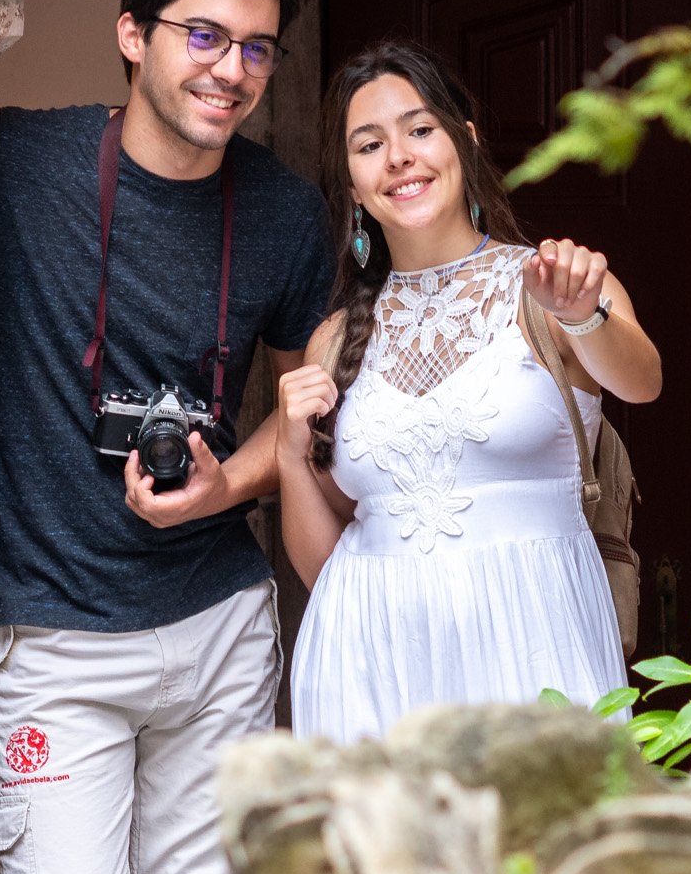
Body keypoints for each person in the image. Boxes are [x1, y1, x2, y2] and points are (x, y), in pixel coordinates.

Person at [0, 0, 330, 874]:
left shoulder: (288, 215)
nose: (231, 71)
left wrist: (231, 480)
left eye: (256, 48)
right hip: (54, 631)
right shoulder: (20, 163)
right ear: (133, 34)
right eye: (203, 35)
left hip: (217, 630)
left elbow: (312, 414)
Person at [274, 40, 664, 740]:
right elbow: (325, 561)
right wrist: (286, 450)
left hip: (534, 648)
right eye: (370, 144)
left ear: (467, 141)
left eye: (420, 129)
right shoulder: (333, 341)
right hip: (367, 666)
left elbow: (642, 382)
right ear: (354, 185)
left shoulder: (552, 284)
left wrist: (584, 313)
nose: (399, 156)